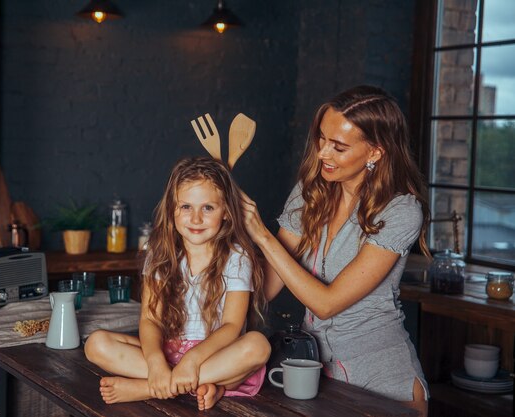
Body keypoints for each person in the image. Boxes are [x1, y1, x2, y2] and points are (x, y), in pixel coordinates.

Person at [240, 85, 430, 416]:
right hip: (317, 371)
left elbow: (327, 304)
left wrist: (262, 236)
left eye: (338, 147)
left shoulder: (400, 210)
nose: (323, 154)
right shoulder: (311, 192)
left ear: (375, 152)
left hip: (382, 380)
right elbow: (268, 286)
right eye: (322, 140)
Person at [85, 156, 270, 411]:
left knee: (257, 346)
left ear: (226, 212)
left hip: (214, 355)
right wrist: (155, 362)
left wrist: (193, 360)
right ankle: (205, 385)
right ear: (172, 211)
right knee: (96, 344)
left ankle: (149, 388)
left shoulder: (237, 258)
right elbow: (150, 319)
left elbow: (232, 326)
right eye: (185, 207)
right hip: (168, 351)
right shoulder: (159, 253)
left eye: (208, 208)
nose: (195, 218)